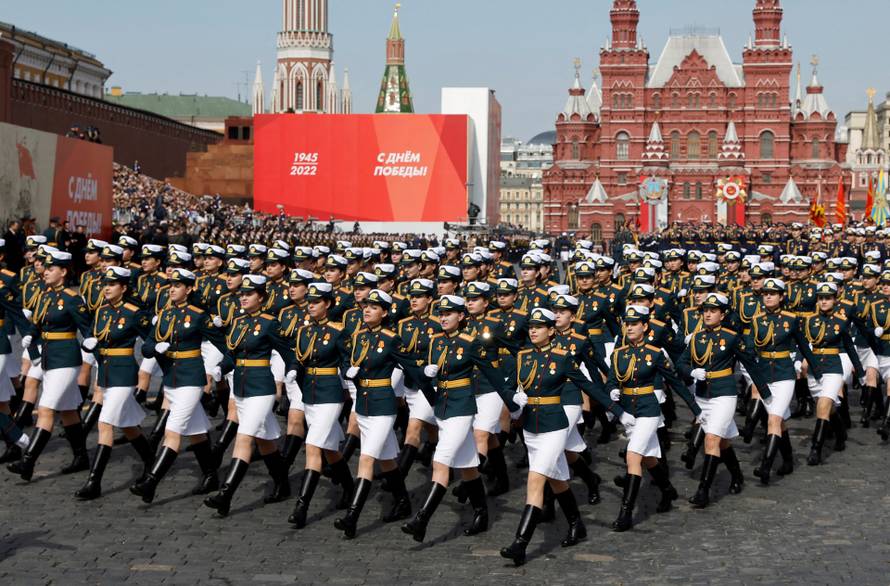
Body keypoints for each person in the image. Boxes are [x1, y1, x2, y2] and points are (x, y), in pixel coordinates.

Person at [499, 307, 625, 567]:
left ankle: (520, 544)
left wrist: (619, 412)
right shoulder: (522, 357)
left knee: (535, 481)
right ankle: (577, 524)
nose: (533, 330)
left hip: (554, 426)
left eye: (540, 326)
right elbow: (510, 386)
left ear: (551, 330)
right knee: (557, 480)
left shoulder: (563, 358)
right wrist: (514, 397)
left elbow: (588, 386)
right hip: (531, 429)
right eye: (531, 326)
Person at [402, 295, 520, 543]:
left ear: (461, 316)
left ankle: (421, 520)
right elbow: (423, 376)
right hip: (443, 408)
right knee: (467, 465)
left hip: (462, 407)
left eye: (449, 313)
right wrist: (429, 387)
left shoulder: (471, 344)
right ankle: (481, 513)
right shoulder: (434, 341)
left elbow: (493, 375)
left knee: (441, 462)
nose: (443, 318)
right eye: (441, 313)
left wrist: (513, 405)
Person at [129, 267, 230, 503]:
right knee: (195, 432)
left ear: (189, 289)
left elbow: (226, 344)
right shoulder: (164, 315)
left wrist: (224, 366)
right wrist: (155, 348)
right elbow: (146, 346)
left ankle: (151, 482)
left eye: (178, 285)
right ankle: (210, 475)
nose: (172, 289)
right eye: (171, 285)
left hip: (191, 379)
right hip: (171, 380)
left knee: (172, 431)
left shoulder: (198, 316)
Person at [334, 289, 423, 538]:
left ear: (384, 312)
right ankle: (403, 501)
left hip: (383, 405)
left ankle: (352, 516)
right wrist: (347, 370)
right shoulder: (360, 336)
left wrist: (431, 393)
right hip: (363, 404)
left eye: (374, 307)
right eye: (365, 306)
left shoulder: (392, 339)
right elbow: (345, 357)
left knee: (366, 458)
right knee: (386, 459)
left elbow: (411, 368)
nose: (367, 310)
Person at [204, 275, 293, 516]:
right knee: (265, 441)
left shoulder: (269, 323)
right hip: (241, 388)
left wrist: (293, 372)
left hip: (261, 389)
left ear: (261, 297)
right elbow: (233, 353)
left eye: (249, 293)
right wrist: (223, 367)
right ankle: (283, 483)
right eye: (242, 293)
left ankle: (226, 494)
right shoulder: (238, 322)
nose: (243, 297)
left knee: (244, 438)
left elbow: (287, 352)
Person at [605, 305, 700, 532]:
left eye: (634, 323)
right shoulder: (618, 354)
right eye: (627, 323)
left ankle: (626, 514)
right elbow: (610, 381)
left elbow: (675, 382)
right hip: (629, 411)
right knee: (648, 458)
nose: (629, 327)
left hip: (649, 409)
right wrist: (612, 391)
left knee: (633, 455)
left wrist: (695, 408)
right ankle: (667, 489)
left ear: (645, 326)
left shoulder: (655, 354)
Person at [677, 292, 771, 508]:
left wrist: (765, 393)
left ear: (723, 314)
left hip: (724, 394)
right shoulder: (697, 337)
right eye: (705, 311)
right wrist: (692, 372)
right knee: (723, 441)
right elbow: (680, 363)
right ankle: (737, 475)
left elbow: (750, 364)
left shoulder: (731, 337)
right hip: (703, 395)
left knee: (711, 440)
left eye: (713, 311)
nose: (707, 314)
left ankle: (703, 491)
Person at [8, 250, 93, 481]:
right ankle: (81, 457)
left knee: (45, 409)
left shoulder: (73, 299)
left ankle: (28, 462)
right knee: (67, 411)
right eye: (45, 268)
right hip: (48, 356)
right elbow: (37, 322)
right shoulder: (46, 296)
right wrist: (30, 335)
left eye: (51, 268)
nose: (45, 271)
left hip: (65, 360)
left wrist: (91, 340)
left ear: (63, 272)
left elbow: (87, 329)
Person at [74, 267, 155, 500]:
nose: (106, 288)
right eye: (105, 284)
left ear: (124, 288)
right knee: (128, 426)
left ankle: (94, 481)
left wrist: (154, 351)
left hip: (123, 373)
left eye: (112, 284)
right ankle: (152, 462)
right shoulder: (101, 311)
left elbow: (152, 336)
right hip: (106, 374)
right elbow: (92, 334)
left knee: (105, 423)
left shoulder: (134, 313)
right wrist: (90, 342)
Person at [286, 283, 355, 529]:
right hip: (310, 394)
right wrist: (293, 370)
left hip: (330, 394)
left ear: (327, 303)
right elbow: (297, 355)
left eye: (316, 301)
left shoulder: (339, 331)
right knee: (329, 449)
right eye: (309, 301)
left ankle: (301, 507)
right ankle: (350, 488)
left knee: (313, 446)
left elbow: (346, 361)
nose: (311, 305)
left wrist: (351, 380)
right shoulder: (303, 330)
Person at [748, 278, 822, 484]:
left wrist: (812, 367)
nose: (768, 296)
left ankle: (765, 466)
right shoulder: (756, 320)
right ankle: (788, 460)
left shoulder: (791, 319)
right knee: (778, 420)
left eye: (773, 293)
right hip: (764, 374)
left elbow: (803, 345)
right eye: (765, 293)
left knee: (773, 419)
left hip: (783, 375)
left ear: (781, 297)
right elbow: (749, 346)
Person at [803, 282, 865, 465]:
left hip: (833, 368)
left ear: (835, 300)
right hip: (815, 370)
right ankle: (841, 432)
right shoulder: (809, 320)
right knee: (828, 409)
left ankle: (816, 449)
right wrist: (801, 360)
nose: (823, 301)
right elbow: (801, 342)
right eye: (821, 298)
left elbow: (849, 348)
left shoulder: (840, 321)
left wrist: (860, 372)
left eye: (827, 298)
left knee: (822, 406)